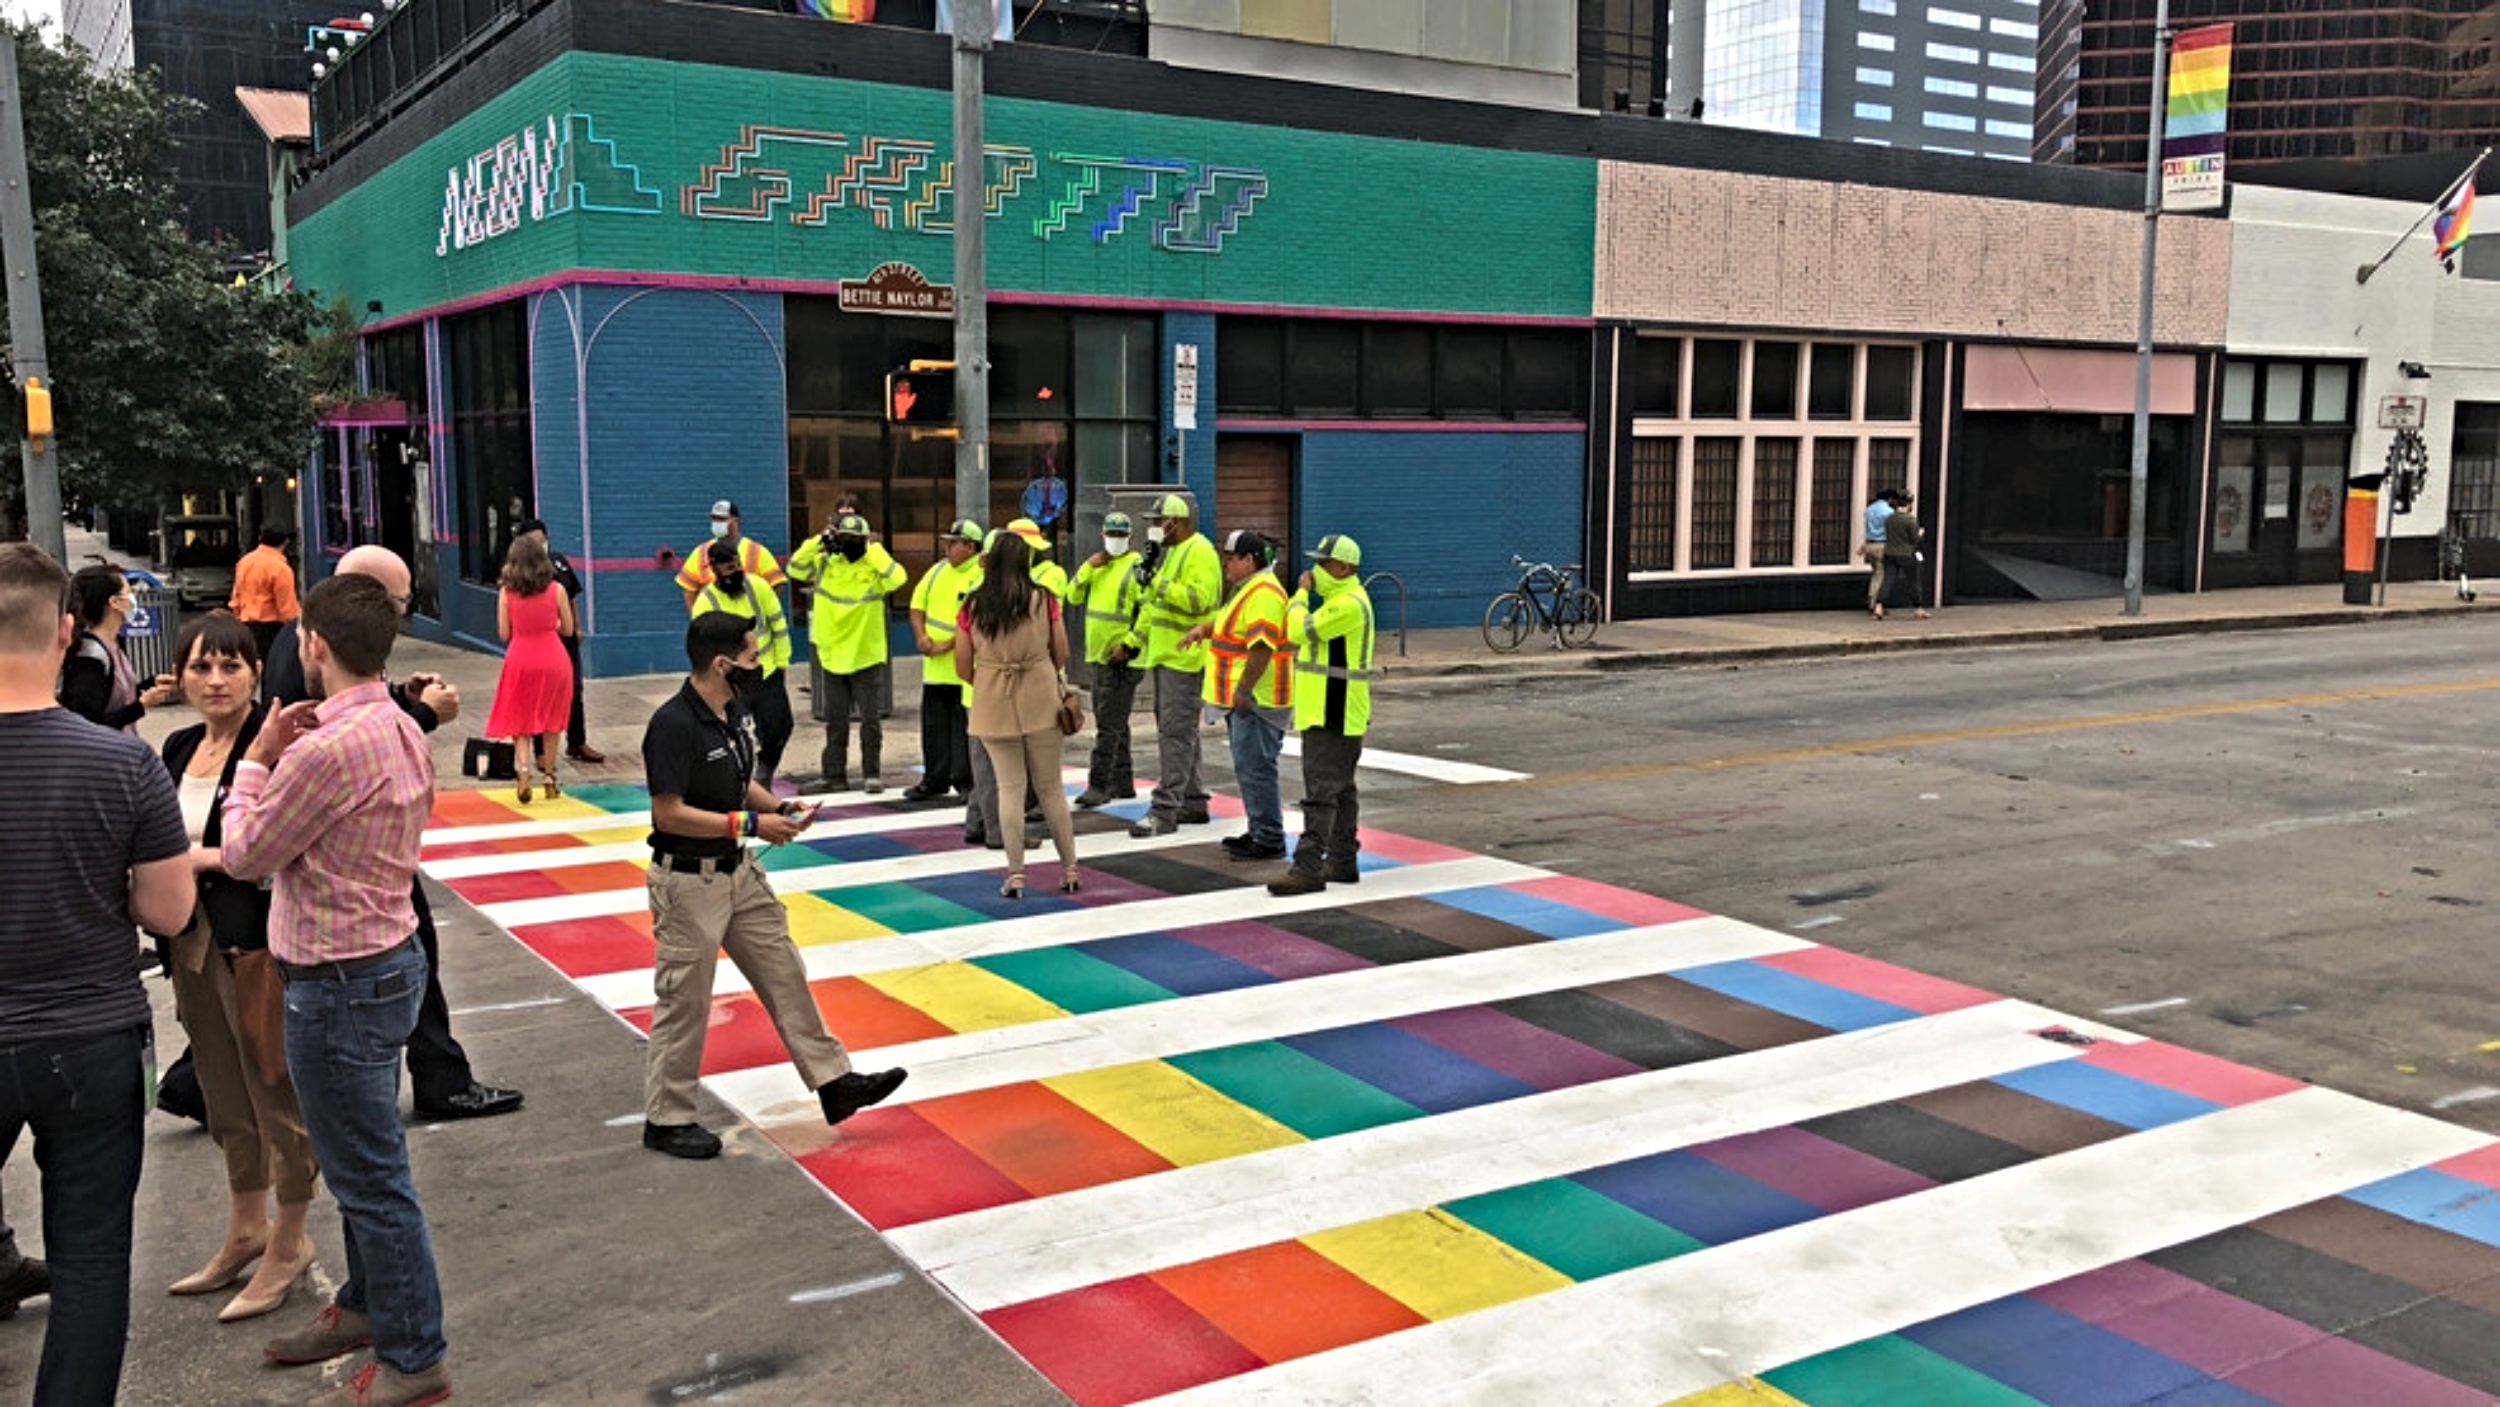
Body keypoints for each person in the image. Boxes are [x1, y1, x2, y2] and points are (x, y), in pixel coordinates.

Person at [222, 574, 454, 1404]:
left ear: (315, 643)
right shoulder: (398, 723)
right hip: (384, 957)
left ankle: (415, 1355)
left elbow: (246, 853)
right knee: (365, 1155)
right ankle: (366, 1304)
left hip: (338, 979)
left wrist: (257, 760)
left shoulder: (321, 750)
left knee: (370, 1177)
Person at [0, 543, 193, 1404]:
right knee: (89, 1259)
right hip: (92, 1036)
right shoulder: (124, 763)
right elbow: (168, 911)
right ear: (65, 631)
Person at [263, 545, 522, 1125]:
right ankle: (439, 1078)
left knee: (412, 952)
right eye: (399, 603)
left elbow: (354, 715)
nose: (401, 615)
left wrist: (403, 698)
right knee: (402, 958)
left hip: (348, 863)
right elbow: (341, 742)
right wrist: (422, 716)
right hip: (345, 871)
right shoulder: (304, 656)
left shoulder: (320, 648)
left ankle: (440, 1073)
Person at [639, 612, 907, 1160]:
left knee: (784, 971)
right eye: (752, 656)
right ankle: (667, 1118)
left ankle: (834, 1082)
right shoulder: (673, 725)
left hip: (739, 873)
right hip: (688, 882)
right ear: (723, 664)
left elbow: (742, 785)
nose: (759, 665)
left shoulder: (734, 712)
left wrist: (780, 809)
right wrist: (751, 825)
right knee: (684, 1000)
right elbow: (669, 813)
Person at [153, 612, 320, 1324]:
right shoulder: (179, 746)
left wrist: (200, 858)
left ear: (256, 671)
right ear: (180, 676)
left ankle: (290, 1239)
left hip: (256, 946)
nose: (215, 680)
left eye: (230, 666)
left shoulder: (273, 745)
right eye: (200, 667)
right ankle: (246, 1227)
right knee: (222, 1092)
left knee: (273, 1090)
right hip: (189, 941)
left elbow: (283, 844)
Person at [955, 533, 1080, 897]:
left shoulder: (972, 605)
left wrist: (989, 678)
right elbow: (1061, 652)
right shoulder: (1044, 598)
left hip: (993, 698)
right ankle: (1070, 869)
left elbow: (962, 665)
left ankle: (1016, 875)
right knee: (1050, 788)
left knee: (1009, 789)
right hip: (1040, 693)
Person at [1269, 534, 1375, 897]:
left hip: (1333, 711)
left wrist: (1299, 595)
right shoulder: (1342, 601)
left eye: (1323, 563)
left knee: (1321, 792)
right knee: (1341, 791)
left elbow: (1298, 630)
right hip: (1335, 710)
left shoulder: (1347, 604)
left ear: (1343, 568)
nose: (1315, 570)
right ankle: (1343, 861)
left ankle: (1308, 867)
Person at [1189, 530, 1291, 862]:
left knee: (1256, 768)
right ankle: (1260, 830)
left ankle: (1269, 838)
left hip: (1257, 700)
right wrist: (1205, 629)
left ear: (1250, 560)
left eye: (1231, 558)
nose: (1225, 564)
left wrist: (1244, 689)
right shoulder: (1249, 590)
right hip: (1249, 698)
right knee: (1250, 767)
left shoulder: (1263, 593)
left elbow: (1261, 647)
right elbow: (1234, 627)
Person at [1124, 494, 1221, 838]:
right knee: (1181, 731)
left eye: (1156, 521)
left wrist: (1157, 582)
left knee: (1175, 733)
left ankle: (1164, 809)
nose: (1152, 527)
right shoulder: (1174, 552)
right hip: (1167, 655)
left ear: (1173, 522)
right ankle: (1192, 800)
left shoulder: (1200, 551)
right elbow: (1155, 604)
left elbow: (1199, 600)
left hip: (1185, 657)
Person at [786, 510, 905, 792]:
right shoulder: (825, 563)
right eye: (846, 538)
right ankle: (834, 776)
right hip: (833, 654)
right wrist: (819, 541)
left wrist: (873, 548)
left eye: (856, 539)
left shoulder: (873, 566)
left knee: (870, 721)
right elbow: (794, 569)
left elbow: (898, 578)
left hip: (865, 654)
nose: (851, 544)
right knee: (835, 722)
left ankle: (871, 774)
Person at [690, 537, 797, 788]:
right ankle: (741, 783)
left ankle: (764, 772)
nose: (736, 571)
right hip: (732, 679)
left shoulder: (758, 587)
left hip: (766, 670)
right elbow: (701, 645)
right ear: (715, 569)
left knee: (780, 728)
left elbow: (778, 625)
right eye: (729, 567)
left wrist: (782, 663)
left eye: (738, 565)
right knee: (736, 735)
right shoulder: (706, 601)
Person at [486, 533, 579, 803]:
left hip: (521, 658)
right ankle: (549, 776)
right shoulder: (557, 590)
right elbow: (569, 629)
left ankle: (524, 771)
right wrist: (553, 625)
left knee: (520, 719)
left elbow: (504, 633)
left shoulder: (506, 593)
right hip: (553, 657)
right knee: (553, 719)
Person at [904, 519, 985, 802]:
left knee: (963, 730)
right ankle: (934, 779)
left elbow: (976, 621)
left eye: (953, 543)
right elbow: (917, 607)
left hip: (964, 669)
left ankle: (965, 782)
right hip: (935, 668)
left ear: (971, 547)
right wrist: (921, 637)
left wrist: (948, 645)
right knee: (934, 728)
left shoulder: (980, 574)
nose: (947, 548)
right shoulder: (937, 570)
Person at [1067, 511, 1142, 809]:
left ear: (1130, 538)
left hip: (1121, 660)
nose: (1115, 540)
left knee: (1108, 726)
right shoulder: (1097, 566)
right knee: (1115, 721)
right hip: (1098, 656)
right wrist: (1087, 567)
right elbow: (1072, 596)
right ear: (1102, 536)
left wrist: (1129, 644)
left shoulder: (1137, 567)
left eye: (1120, 536)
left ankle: (1099, 784)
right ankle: (1123, 782)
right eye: (1111, 535)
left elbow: (1146, 613)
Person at [514, 518, 604, 764]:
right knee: (540, 695)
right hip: (539, 641)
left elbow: (571, 596)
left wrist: (577, 626)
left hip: (565, 638)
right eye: (533, 540)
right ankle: (541, 751)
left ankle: (577, 742)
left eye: (542, 539)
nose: (539, 544)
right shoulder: (519, 572)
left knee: (574, 690)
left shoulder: (559, 563)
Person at [59, 565, 150, 732]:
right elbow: (89, 724)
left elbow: (118, 696)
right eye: (129, 592)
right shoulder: (89, 655)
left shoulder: (115, 642)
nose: (134, 597)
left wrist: (152, 685)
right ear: (115, 602)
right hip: (106, 747)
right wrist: (140, 707)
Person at [676, 499, 784, 614]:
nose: (716, 523)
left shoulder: (757, 551)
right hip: (714, 621)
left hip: (747, 621)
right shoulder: (700, 552)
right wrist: (698, 618)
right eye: (714, 519)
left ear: (735, 520)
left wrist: (762, 612)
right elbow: (689, 590)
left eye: (721, 519)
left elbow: (776, 584)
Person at [229, 526, 300, 660]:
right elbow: (287, 608)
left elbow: (236, 595)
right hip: (271, 629)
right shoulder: (280, 568)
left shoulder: (245, 562)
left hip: (245, 625)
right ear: (285, 542)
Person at [1879, 493, 1931, 620]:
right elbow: (1915, 539)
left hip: (1889, 553)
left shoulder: (1889, 519)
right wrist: (1920, 533)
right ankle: (1918, 609)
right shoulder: (1910, 520)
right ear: (1908, 504)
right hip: (1906, 554)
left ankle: (1878, 606)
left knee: (1887, 580)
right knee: (1913, 581)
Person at [1862, 489, 1898, 619]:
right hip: (1882, 544)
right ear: (1890, 499)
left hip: (1870, 544)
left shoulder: (1869, 509)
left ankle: (1871, 598)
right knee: (1881, 574)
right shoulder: (1888, 512)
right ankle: (1875, 603)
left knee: (1876, 572)